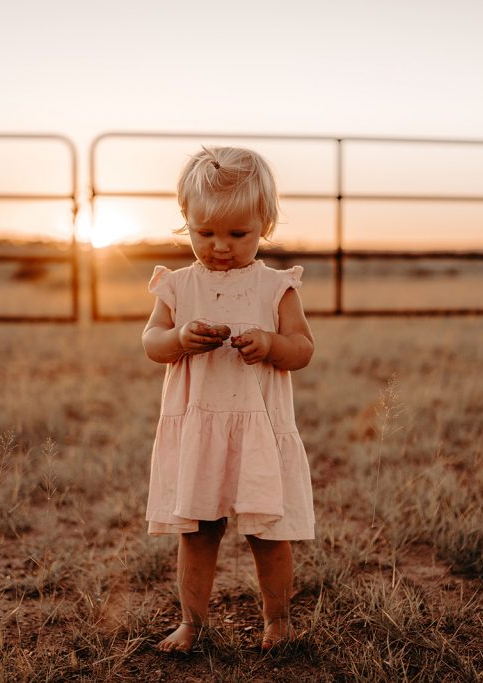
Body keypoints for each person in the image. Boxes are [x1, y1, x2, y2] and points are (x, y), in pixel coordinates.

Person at [142, 146, 315, 653]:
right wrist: (178, 339)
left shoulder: (275, 286)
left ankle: (277, 622)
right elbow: (151, 342)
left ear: (265, 223)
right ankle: (192, 624)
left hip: (257, 429)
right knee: (197, 532)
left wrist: (271, 345)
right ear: (186, 222)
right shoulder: (177, 286)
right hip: (200, 429)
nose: (220, 246)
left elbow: (303, 348)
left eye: (238, 234)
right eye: (206, 233)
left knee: (268, 532)